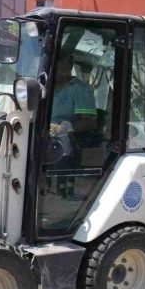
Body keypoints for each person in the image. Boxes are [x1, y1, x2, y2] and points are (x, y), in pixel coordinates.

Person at [49, 53, 98, 198]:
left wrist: (64, 127)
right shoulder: (47, 87)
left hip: (67, 137)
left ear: (69, 67)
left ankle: (63, 188)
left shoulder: (79, 89)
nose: (58, 69)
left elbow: (90, 122)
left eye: (61, 65)